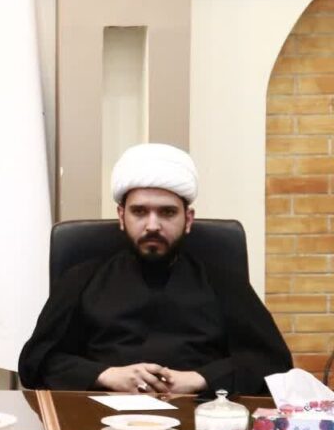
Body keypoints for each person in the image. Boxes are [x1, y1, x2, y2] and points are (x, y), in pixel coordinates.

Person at [18, 143, 291, 396]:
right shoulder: (83, 278)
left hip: (200, 418)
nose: (152, 225)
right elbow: (36, 363)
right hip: (101, 419)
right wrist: (107, 375)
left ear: (188, 219)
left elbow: (274, 363)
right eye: (139, 212)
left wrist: (200, 379)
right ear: (121, 216)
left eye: (167, 213)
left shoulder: (222, 282)